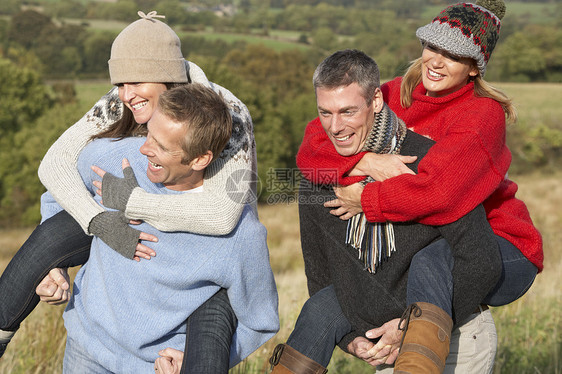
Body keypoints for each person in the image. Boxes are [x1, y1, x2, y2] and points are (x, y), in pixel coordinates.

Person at [0, 11, 256, 372]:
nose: (125, 94)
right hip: (99, 324)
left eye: (135, 81)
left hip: (181, 288)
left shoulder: (225, 113)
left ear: (167, 75)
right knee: (52, 236)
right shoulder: (120, 100)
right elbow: (55, 164)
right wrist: (96, 223)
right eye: (119, 83)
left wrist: (133, 204)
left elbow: (222, 213)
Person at [294, 0, 543, 371]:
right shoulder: (395, 93)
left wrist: (365, 197)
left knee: (431, 259)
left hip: (497, 242)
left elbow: (439, 193)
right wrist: (362, 161)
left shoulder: (482, 115)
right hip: (441, 237)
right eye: (432, 47)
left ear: (474, 68)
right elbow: (314, 145)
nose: (436, 61)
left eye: (454, 55)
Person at [269, 49, 502, 374]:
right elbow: (320, 274)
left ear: (376, 100)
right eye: (325, 113)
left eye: (348, 111)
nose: (335, 127)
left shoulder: (426, 163)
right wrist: (350, 338)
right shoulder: (317, 181)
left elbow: (482, 262)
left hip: (455, 340)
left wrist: (410, 325)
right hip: (389, 350)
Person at [41, 84, 278, 373]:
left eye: (162, 146)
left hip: (152, 367)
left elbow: (259, 321)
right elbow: (58, 186)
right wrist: (55, 263)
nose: (144, 148)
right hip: (85, 349)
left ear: (200, 159)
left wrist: (193, 358)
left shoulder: (240, 235)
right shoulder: (121, 160)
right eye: (149, 134)